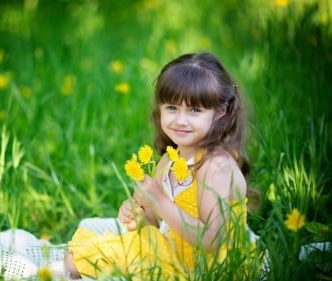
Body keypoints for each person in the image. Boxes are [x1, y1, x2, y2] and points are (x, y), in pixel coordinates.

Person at [64, 52, 260, 280]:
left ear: (220, 112)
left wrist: (160, 200)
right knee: (83, 246)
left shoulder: (215, 166)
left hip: (204, 266)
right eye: (172, 108)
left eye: (195, 110)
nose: (180, 120)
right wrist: (139, 215)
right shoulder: (170, 159)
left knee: (79, 261)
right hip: (172, 247)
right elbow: (157, 223)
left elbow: (213, 241)